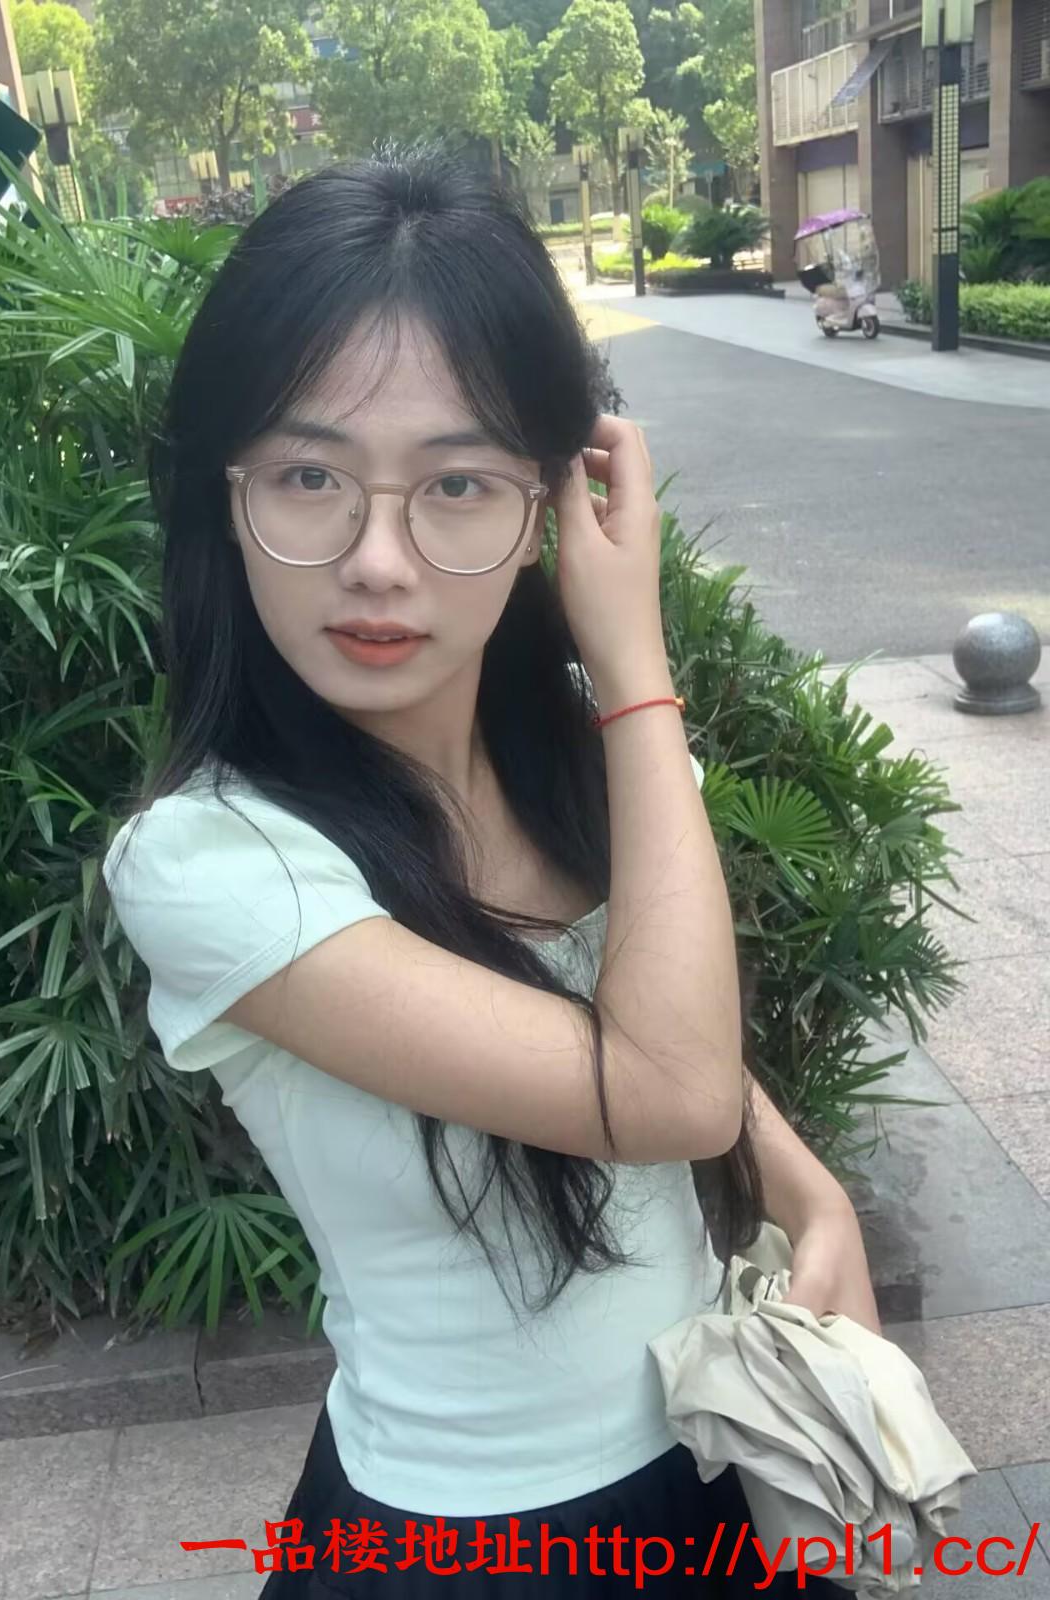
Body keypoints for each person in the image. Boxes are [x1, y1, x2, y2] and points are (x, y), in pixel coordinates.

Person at [103, 141, 868, 1595]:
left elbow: (662, 1030)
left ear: (542, 510)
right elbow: (662, 1090)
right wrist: (633, 663)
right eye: (311, 475)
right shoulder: (213, 862)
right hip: (470, 1539)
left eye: (455, 483)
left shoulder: (579, 762)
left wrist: (811, 1193)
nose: (378, 559)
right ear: (224, 495)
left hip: (718, 1447)